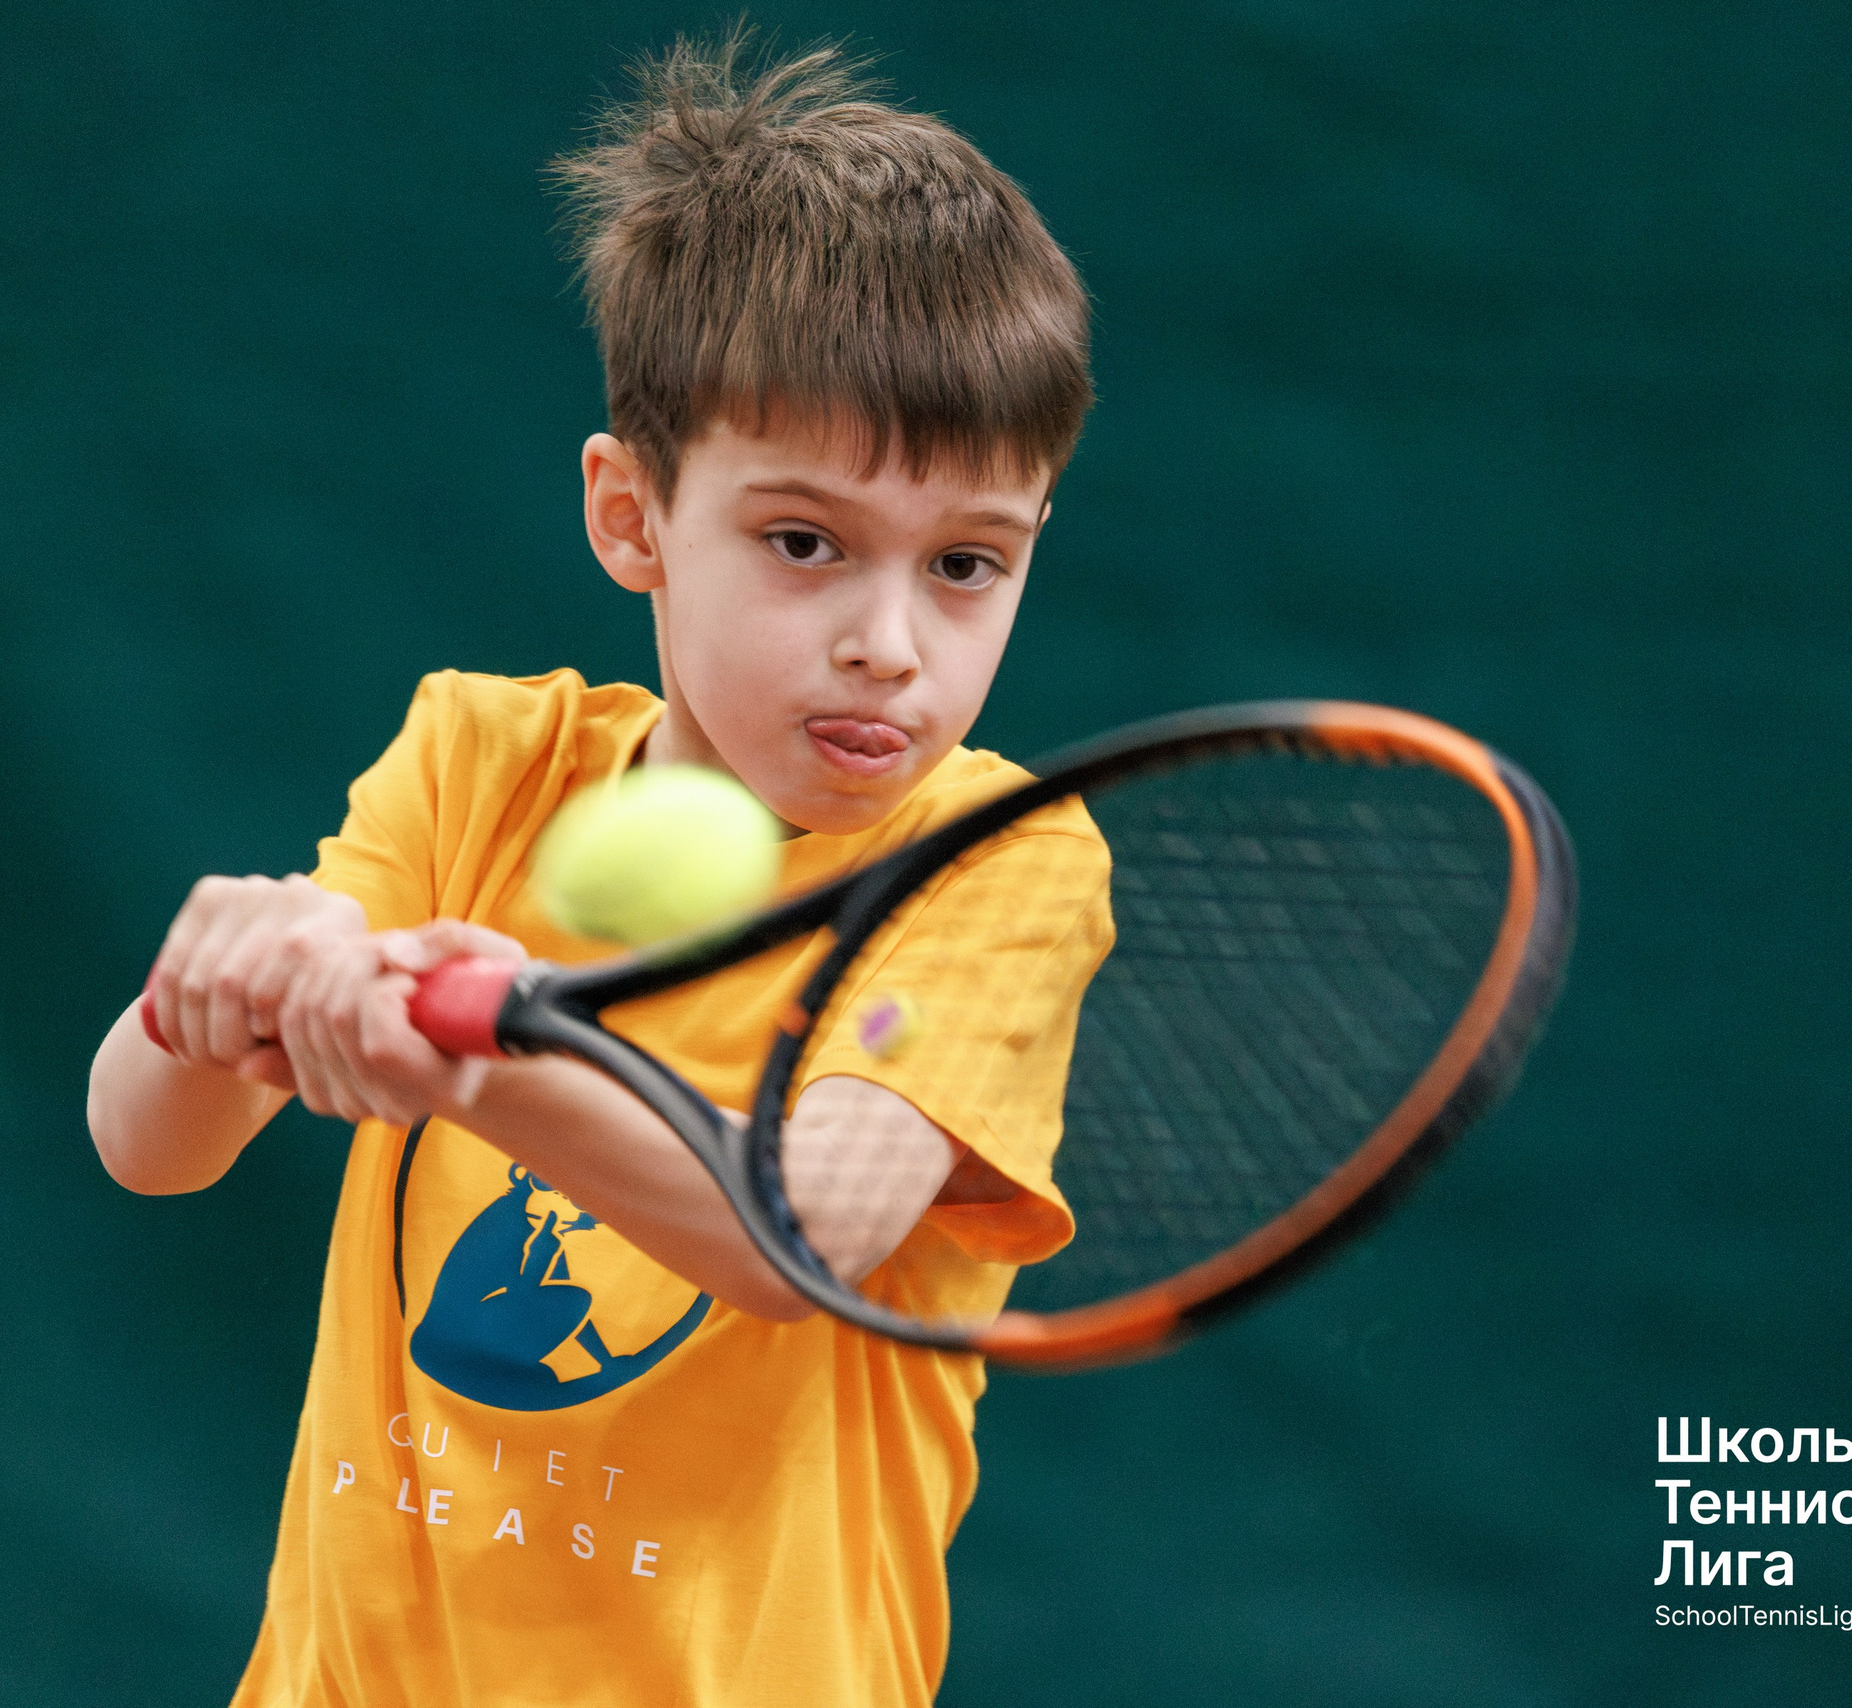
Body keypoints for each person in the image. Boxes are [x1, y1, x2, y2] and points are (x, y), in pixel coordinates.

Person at [85, 32, 1110, 1708]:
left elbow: (802, 1234)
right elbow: (150, 1150)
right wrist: (204, 1000)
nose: (889, 642)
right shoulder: (477, 761)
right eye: (804, 541)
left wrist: (474, 1060)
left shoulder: (997, 867)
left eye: (968, 565)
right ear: (632, 516)